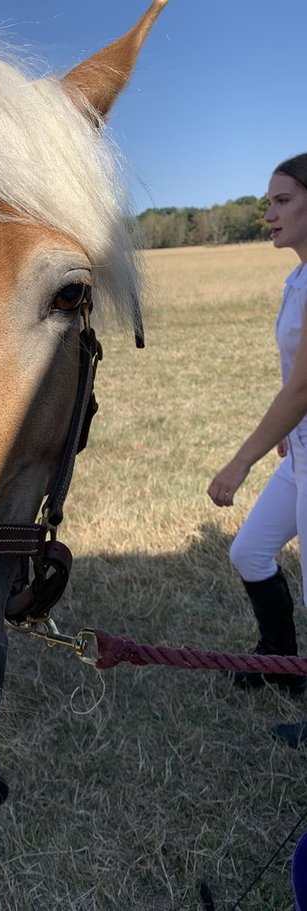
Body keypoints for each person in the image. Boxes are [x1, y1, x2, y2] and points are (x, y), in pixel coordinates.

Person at [208, 153, 307, 745]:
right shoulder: (297, 277)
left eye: (283, 202)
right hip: (299, 456)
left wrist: (240, 460)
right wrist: (285, 439)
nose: (268, 214)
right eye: (267, 203)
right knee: (249, 552)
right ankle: (283, 664)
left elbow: (301, 388)